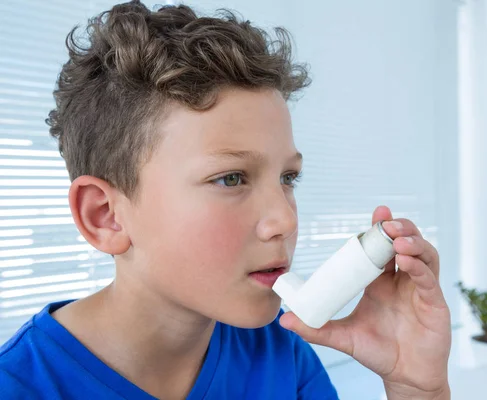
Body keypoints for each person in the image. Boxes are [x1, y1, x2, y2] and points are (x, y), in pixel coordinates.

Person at [0, 1, 452, 399]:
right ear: (106, 217)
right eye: (231, 178)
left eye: (288, 177)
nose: (284, 220)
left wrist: (417, 390)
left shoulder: (284, 358)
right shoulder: (18, 387)